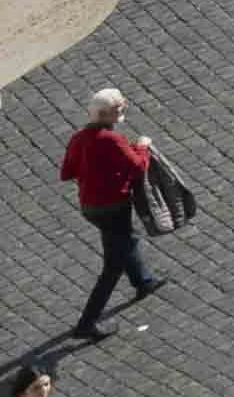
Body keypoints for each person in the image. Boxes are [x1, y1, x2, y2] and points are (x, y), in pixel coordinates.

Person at [50, 100, 156, 346]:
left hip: (91, 208)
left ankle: (143, 281)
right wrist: (142, 147)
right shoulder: (112, 140)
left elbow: (66, 173)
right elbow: (139, 166)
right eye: (118, 110)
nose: (122, 113)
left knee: (125, 240)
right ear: (103, 114)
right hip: (114, 206)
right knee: (113, 265)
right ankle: (86, 324)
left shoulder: (79, 138)